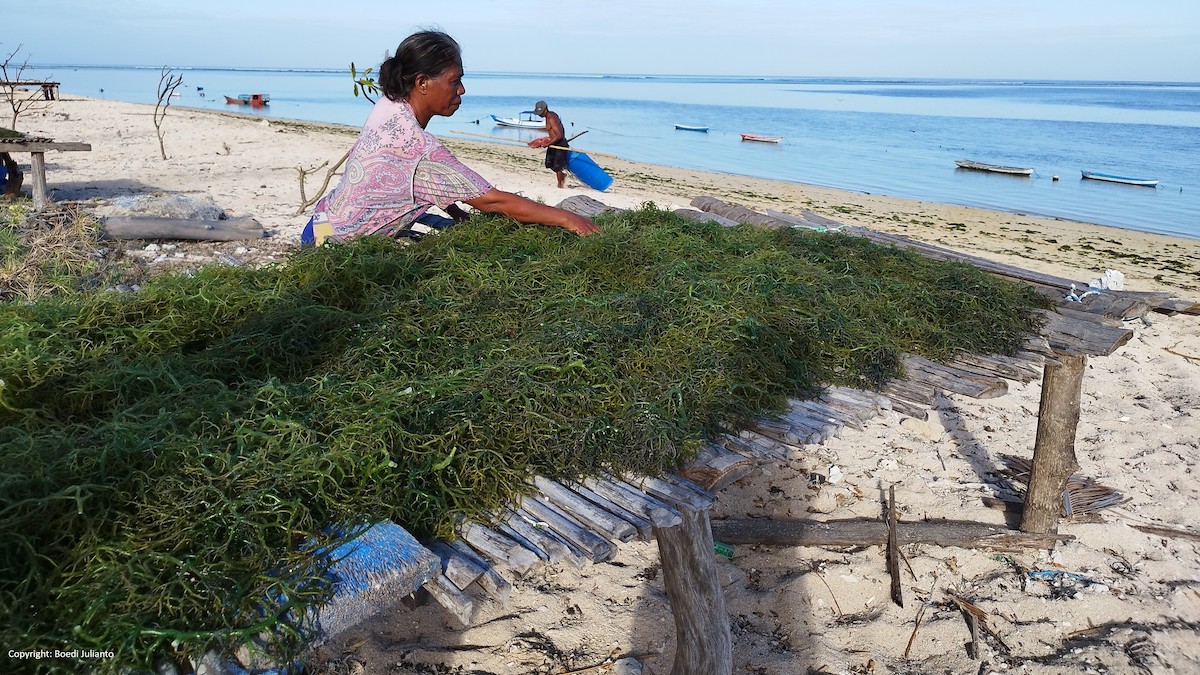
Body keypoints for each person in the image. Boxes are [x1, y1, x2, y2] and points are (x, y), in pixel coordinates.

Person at [302, 31, 598, 247]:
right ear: (422, 83)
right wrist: (569, 219)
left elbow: (410, 180)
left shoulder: (389, 107)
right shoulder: (421, 149)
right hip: (333, 254)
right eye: (454, 80)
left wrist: (455, 210)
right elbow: (492, 201)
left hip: (318, 226)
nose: (462, 90)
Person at [526, 100, 569, 188]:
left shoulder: (552, 117)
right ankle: (562, 175)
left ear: (545, 109)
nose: (539, 114)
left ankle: (560, 184)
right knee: (548, 164)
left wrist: (547, 144)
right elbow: (550, 131)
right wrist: (542, 140)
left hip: (560, 143)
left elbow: (559, 135)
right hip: (553, 142)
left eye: (540, 112)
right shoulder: (547, 117)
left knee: (557, 167)